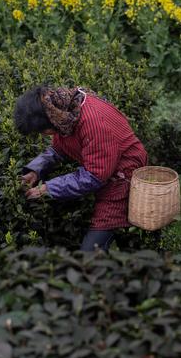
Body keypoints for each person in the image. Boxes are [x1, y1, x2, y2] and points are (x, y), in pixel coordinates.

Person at [13, 85, 148, 251]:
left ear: (50, 121)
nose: (43, 135)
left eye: (42, 131)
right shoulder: (64, 111)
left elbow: (94, 176)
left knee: (90, 252)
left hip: (123, 178)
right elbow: (60, 148)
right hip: (105, 168)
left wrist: (48, 188)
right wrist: (35, 170)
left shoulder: (94, 124)